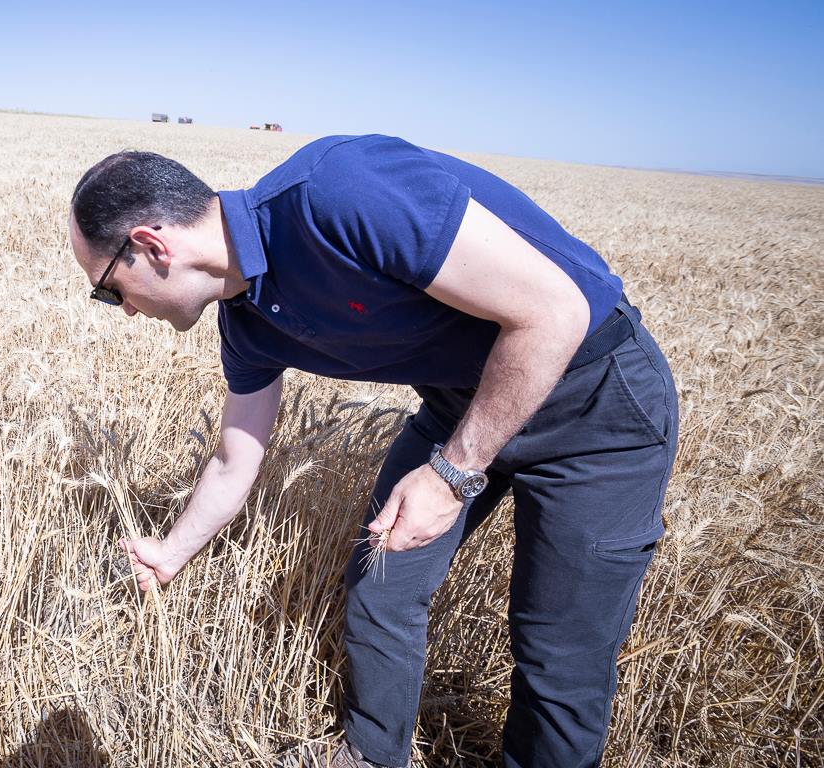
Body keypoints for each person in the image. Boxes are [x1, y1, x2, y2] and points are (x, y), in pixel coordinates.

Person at [67, 135, 679, 768]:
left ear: (152, 245)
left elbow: (554, 311)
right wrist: (170, 554)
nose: (124, 311)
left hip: (595, 404)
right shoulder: (246, 324)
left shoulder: (337, 192)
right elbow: (232, 460)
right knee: (380, 588)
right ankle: (373, 754)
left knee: (559, 648)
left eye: (108, 289)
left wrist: (450, 475)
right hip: (463, 404)